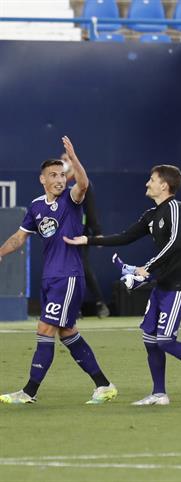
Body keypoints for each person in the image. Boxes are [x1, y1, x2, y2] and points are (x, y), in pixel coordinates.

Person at [64, 165, 181, 406]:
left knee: (165, 340)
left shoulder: (177, 208)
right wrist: (87, 239)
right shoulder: (151, 215)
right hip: (162, 284)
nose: (147, 183)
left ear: (164, 185)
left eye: (152, 179)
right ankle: (159, 393)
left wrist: (147, 268)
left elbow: (175, 242)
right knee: (150, 338)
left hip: (179, 285)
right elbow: (125, 236)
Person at [0, 137, 117, 405]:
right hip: (50, 278)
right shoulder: (36, 206)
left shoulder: (71, 199)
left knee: (45, 328)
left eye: (62, 175)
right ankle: (104, 385)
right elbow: (19, 237)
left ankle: (29, 391)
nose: (59, 179)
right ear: (42, 179)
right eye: (53, 175)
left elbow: (83, 184)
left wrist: (74, 159)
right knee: (67, 332)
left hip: (68, 276)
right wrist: (1, 252)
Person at [61, 152, 109, 318]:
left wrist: (97, 233)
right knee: (64, 271)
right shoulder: (59, 184)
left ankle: (100, 303)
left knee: (82, 268)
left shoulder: (82, 182)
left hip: (79, 234)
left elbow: (90, 209)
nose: (63, 162)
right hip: (61, 234)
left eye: (66, 159)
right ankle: (73, 308)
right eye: (62, 160)